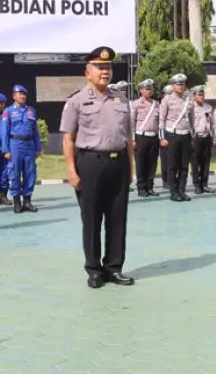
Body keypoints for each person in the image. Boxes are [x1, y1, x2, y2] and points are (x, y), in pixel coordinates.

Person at [59, 46, 134, 290]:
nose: (105, 71)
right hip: (90, 164)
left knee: (117, 218)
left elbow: (128, 137)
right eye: (99, 67)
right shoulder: (76, 101)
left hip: (118, 163)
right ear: (87, 72)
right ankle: (93, 269)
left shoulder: (121, 99)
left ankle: (114, 267)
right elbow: (68, 139)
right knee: (91, 219)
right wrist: (71, 170)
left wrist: (130, 167)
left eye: (108, 67)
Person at [1, 84, 41, 213]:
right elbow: (4, 132)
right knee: (15, 174)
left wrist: (37, 147)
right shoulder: (8, 111)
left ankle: (27, 201)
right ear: (14, 96)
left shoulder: (31, 111)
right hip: (15, 145)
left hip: (29, 145)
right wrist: (5, 150)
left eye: (24, 94)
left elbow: (35, 131)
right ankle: (17, 202)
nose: (23, 96)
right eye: (20, 94)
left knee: (30, 173)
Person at [159, 74, 195, 202]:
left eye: (183, 84)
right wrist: (162, 138)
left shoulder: (188, 100)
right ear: (173, 85)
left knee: (184, 166)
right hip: (172, 134)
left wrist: (192, 137)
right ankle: (173, 192)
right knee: (173, 165)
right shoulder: (167, 100)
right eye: (178, 84)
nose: (181, 86)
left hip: (185, 134)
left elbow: (192, 120)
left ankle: (182, 190)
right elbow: (162, 120)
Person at [130, 79, 160, 198]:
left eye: (150, 89)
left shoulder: (156, 104)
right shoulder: (136, 104)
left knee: (152, 163)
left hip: (153, 136)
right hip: (141, 136)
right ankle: (141, 187)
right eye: (146, 89)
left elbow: (159, 121)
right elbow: (132, 122)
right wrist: (132, 139)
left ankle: (150, 186)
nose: (149, 91)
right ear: (141, 90)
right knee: (141, 163)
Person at [190, 85, 215, 194]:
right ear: (194, 96)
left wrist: (214, 137)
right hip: (196, 137)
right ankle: (196, 184)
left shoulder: (208, 107)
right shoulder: (190, 108)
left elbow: (212, 123)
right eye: (199, 95)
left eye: (202, 94)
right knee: (195, 162)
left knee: (206, 162)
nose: (202, 96)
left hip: (207, 137)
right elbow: (189, 124)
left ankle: (204, 184)